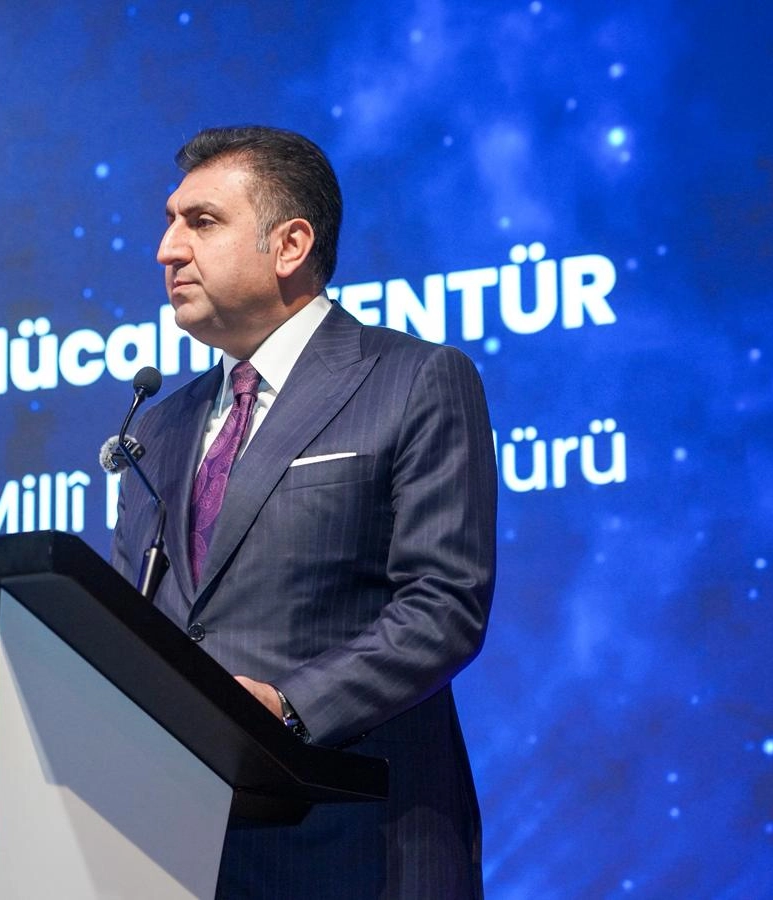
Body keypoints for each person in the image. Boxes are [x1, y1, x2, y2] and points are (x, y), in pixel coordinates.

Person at [110, 125, 497, 898]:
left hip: (358, 838)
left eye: (201, 222)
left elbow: (444, 606)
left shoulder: (413, 380)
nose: (167, 250)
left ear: (290, 245)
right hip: (187, 848)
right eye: (170, 221)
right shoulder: (158, 426)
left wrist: (288, 708)